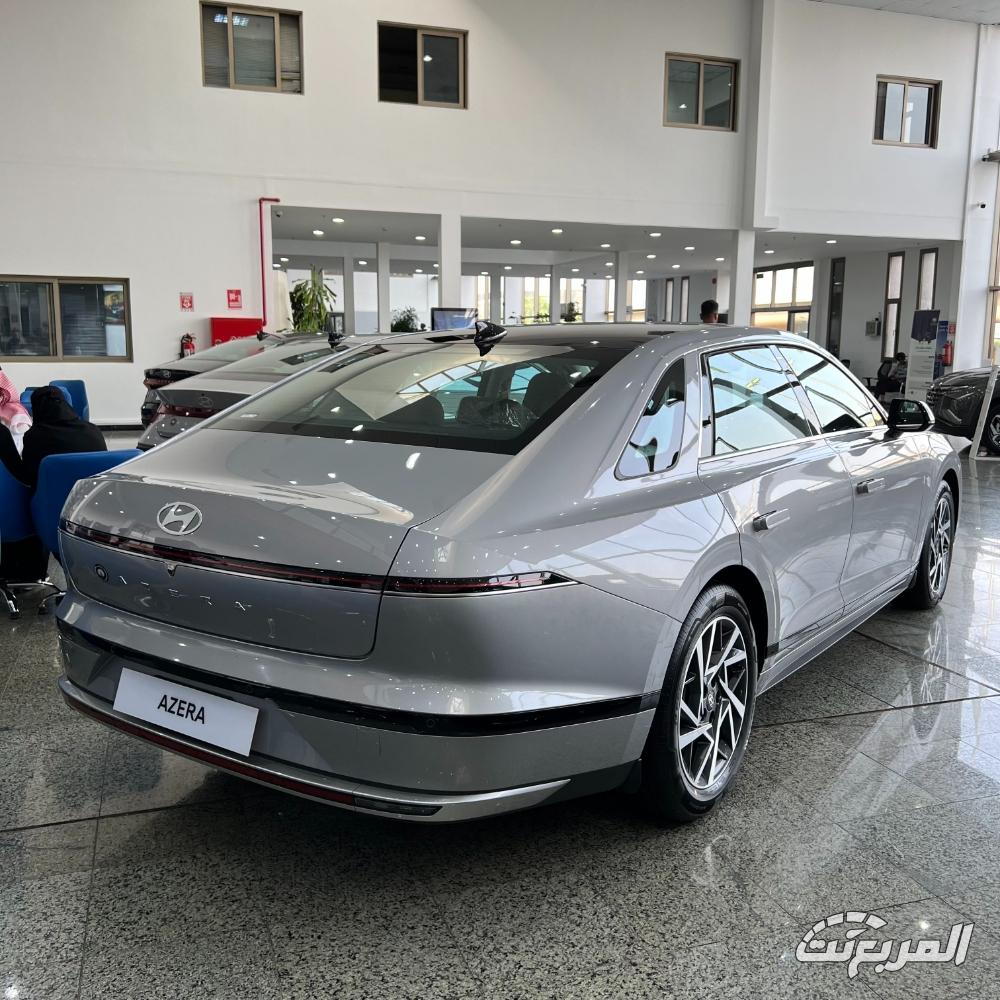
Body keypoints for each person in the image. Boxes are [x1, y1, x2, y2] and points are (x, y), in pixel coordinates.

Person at [0, 386, 106, 493]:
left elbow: (28, 478)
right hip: (91, 495)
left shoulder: (35, 436)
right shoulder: (93, 430)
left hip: (49, 497)